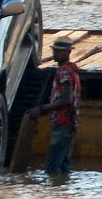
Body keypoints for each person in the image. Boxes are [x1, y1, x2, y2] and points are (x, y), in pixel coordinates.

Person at [26, 37, 82, 174]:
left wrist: (41, 109)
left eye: (58, 51)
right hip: (69, 123)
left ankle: (54, 192)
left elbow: (66, 100)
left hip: (64, 123)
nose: (54, 54)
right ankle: (61, 191)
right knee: (64, 167)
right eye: (55, 51)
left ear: (67, 53)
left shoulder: (64, 71)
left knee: (52, 168)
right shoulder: (71, 71)